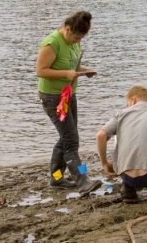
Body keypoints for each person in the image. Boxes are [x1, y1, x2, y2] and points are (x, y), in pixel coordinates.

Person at [36, 11, 101, 195]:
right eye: (74, 36)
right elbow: (41, 70)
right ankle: (83, 181)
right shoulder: (52, 43)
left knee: (66, 137)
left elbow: (72, 66)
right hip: (51, 97)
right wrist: (66, 74)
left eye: (80, 38)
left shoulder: (75, 43)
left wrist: (85, 70)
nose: (77, 41)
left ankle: (56, 179)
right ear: (66, 28)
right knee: (71, 140)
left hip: (68, 94)